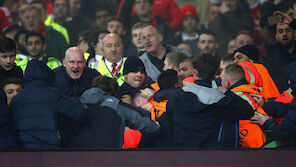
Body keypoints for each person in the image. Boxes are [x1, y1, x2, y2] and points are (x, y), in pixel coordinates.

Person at [163, 54, 254, 148]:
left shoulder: (177, 95)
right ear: (214, 75)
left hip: (180, 153)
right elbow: (248, 111)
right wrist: (227, 93)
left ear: (195, 72)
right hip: (210, 156)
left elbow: (168, 114)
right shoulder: (220, 99)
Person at [64, 75, 159, 148]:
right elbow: (151, 127)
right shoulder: (118, 107)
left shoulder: (76, 104)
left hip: (79, 157)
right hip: (110, 158)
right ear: (114, 93)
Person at [11, 59, 86, 149]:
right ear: (47, 75)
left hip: (22, 151)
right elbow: (79, 113)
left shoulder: (16, 99)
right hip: (48, 150)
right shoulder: (53, 94)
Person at [221, 63, 267, 148]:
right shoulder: (254, 91)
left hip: (250, 143)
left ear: (227, 82)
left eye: (221, 80)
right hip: (264, 139)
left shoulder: (233, 98)